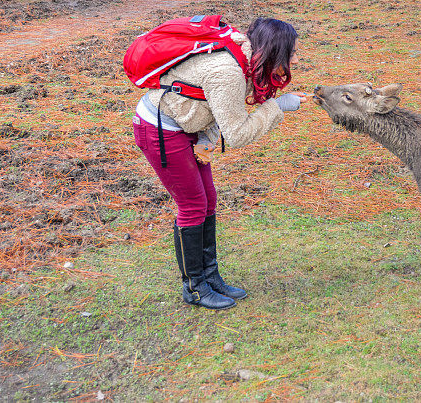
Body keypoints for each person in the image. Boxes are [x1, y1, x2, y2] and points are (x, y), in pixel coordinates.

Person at [131, 18, 308, 310]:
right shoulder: (229, 72)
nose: (295, 60)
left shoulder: (245, 58)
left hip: (188, 126)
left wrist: (206, 139)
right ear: (275, 52)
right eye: (292, 54)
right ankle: (195, 287)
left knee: (208, 200)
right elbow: (236, 134)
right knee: (192, 205)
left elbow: (213, 104)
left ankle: (211, 277)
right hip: (160, 128)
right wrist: (277, 107)